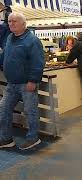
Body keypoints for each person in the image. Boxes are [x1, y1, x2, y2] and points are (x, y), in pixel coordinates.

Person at [0, 12, 44, 150]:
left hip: (26, 83)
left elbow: (38, 62)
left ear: (24, 24)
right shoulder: (9, 38)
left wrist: (33, 80)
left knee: (30, 111)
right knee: (3, 109)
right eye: (9, 21)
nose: (11, 23)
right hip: (11, 83)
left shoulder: (32, 40)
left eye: (14, 21)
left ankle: (33, 138)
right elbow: (6, 56)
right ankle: (6, 139)